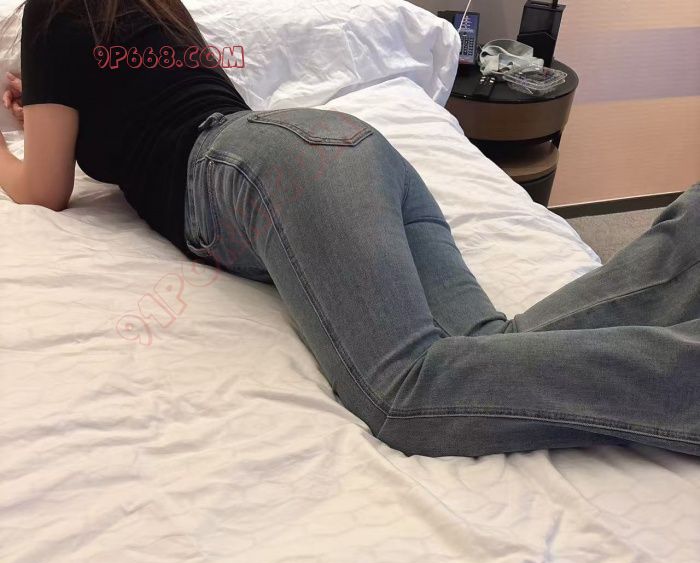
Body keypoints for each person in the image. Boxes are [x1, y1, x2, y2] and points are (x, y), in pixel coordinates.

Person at [1, 0, 698, 458]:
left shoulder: (50, 15)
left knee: (402, 394)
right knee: (485, 348)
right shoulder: (156, 12)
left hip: (264, 168)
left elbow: (45, 190)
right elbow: (141, 108)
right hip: (345, 144)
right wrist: (43, 103)